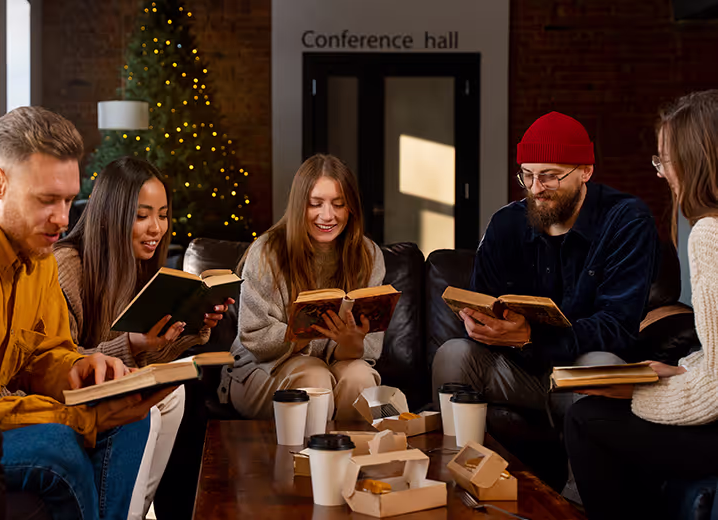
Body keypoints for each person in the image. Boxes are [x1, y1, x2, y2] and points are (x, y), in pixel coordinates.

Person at [0, 106, 170, 520]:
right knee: (60, 446)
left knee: (130, 422)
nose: (63, 220)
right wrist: (79, 416)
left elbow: (43, 351)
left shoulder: (38, 253)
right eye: (47, 200)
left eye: (69, 200)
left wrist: (82, 367)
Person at [432, 111, 659, 420]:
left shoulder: (626, 220)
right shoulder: (505, 224)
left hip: (579, 369)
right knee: (453, 354)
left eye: (550, 175)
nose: (536, 188)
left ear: (585, 171)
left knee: (598, 363)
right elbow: (483, 300)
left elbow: (617, 326)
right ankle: (461, 467)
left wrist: (531, 337)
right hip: (518, 370)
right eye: (527, 174)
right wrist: (480, 324)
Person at [565, 91, 718, 520]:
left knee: (587, 420)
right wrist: (685, 369)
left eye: (666, 160)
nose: (662, 173)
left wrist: (637, 392)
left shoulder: (709, 233)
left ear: (697, 160)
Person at [54, 156, 232, 519]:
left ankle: (135, 512)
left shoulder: (137, 266)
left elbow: (142, 354)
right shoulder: (67, 267)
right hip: (70, 394)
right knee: (146, 411)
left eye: (163, 214)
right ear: (110, 214)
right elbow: (62, 361)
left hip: (110, 384)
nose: (157, 228)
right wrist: (131, 345)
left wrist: (196, 327)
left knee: (176, 390)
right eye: (142, 215)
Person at [219, 154, 385, 420]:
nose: (327, 216)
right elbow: (254, 339)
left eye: (338, 204)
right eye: (315, 204)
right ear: (299, 206)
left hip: (331, 364)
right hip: (259, 369)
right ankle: (301, 462)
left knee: (360, 378)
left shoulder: (369, 254)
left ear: (351, 207)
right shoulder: (267, 251)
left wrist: (351, 342)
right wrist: (306, 333)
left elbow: (363, 352)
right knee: (315, 378)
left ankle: (350, 460)